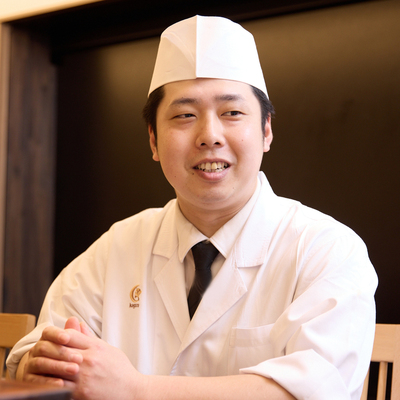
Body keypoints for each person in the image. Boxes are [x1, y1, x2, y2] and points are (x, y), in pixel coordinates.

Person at [7, 15, 377, 400]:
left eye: (232, 113)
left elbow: (316, 390)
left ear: (266, 130)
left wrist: (137, 390)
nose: (209, 136)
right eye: (185, 115)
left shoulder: (326, 249)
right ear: (153, 140)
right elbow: (40, 347)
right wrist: (41, 364)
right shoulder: (118, 247)